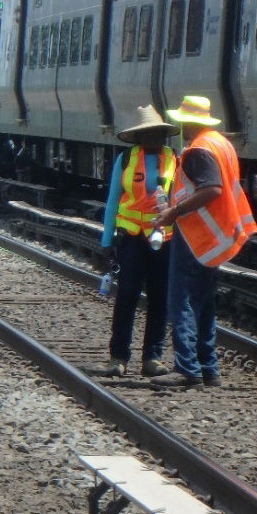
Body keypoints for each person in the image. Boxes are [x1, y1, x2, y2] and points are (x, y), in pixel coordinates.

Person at [150, 95, 257, 388]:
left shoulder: (198, 149)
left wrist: (173, 211)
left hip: (197, 234)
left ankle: (187, 368)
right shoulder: (220, 143)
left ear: (191, 121)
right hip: (216, 234)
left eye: (183, 119)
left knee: (181, 299)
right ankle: (208, 368)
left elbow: (212, 189)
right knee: (204, 301)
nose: (180, 124)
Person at [99, 105, 179, 378]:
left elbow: (179, 200)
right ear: (138, 137)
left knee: (160, 298)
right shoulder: (125, 159)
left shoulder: (174, 159)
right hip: (131, 238)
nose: (153, 139)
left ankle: (152, 358)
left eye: (157, 133)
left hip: (163, 239)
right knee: (127, 295)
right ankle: (118, 357)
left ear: (163, 135)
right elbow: (113, 201)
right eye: (147, 134)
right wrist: (106, 240)